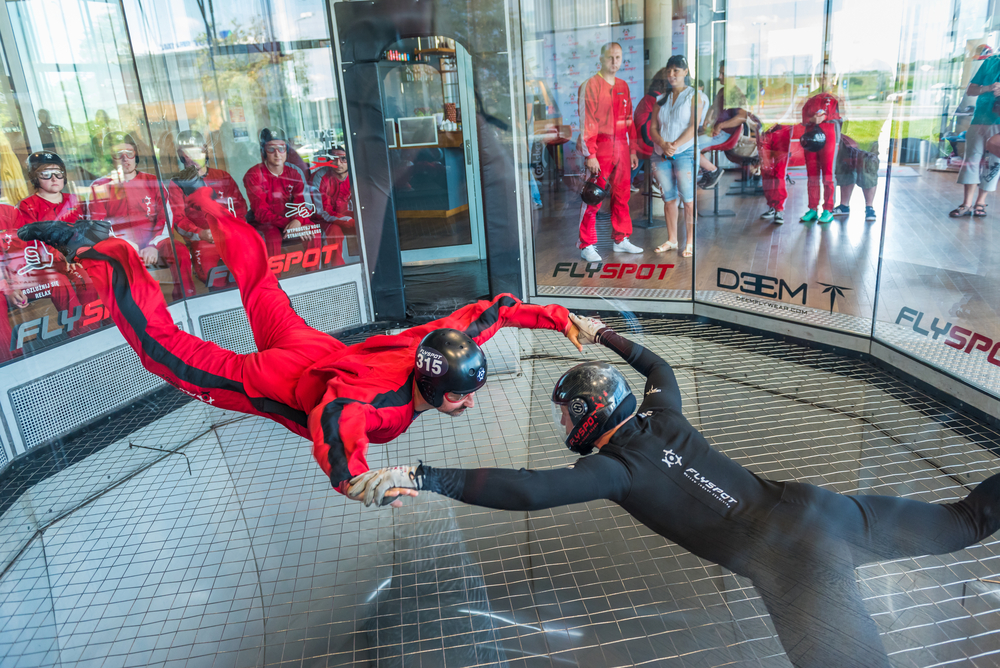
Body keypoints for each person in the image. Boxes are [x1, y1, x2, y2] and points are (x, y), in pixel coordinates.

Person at [350, 315, 1000, 668]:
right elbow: (659, 366)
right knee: (966, 521)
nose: (564, 428)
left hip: (793, 566)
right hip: (820, 509)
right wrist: (602, 333)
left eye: (567, 416)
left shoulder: (612, 470)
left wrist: (424, 476)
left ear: (587, 417)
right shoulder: (663, 412)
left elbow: (526, 491)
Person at [17, 184, 585, 499]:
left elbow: (490, 314)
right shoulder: (387, 410)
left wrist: (557, 316)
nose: (469, 402)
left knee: (258, 280)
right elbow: (338, 417)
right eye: (461, 397)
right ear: (435, 390)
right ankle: (101, 250)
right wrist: (355, 478)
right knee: (159, 347)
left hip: (308, 344)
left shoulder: (429, 344)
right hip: (276, 380)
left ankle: (207, 204)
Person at [89, 131, 196, 300]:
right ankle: (142, 311)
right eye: (119, 155)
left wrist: (152, 245)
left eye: (129, 153)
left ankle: (186, 299)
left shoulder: (152, 181)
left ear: (135, 154)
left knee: (180, 252)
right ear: (110, 157)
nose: (125, 159)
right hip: (121, 247)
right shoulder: (100, 187)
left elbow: (165, 217)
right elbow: (98, 226)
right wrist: (130, 247)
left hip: (155, 242)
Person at [577, 42, 642, 263]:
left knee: (622, 194)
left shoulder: (624, 85)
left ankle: (621, 239)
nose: (614, 62)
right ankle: (586, 244)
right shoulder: (591, 85)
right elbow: (588, 122)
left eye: (618, 58)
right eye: (609, 58)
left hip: (622, 147)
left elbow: (630, 120)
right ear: (601, 59)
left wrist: (632, 149)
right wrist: (591, 154)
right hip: (601, 147)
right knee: (593, 195)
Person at [17, 151, 100, 313]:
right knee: (83, 278)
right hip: (52, 263)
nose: (54, 178)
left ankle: (111, 322)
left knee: (107, 272)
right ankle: (84, 329)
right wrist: (63, 256)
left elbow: (87, 231)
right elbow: (34, 242)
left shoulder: (75, 199)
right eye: (46, 174)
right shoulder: (27, 206)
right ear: (35, 178)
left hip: (80, 256)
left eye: (58, 173)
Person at [167, 130, 249, 289]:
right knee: (211, 277)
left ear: (205, 151)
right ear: (181, 155)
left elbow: (240, 208)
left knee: (245, 273)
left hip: (231, 236)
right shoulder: (176, 183)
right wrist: (200, 233)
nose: (193, 157)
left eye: (197, 150)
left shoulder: (222, 176)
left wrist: (234, 229)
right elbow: (178, 220)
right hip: (204, 241)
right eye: (187, 153)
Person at [650, 55, 708, 258]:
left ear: (685, 72)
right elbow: (653, 128)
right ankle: (672, 240)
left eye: (677, 70)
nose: (672, 74)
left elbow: (694, 126)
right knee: (669, 199)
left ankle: (690, 242)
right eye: (669, 70)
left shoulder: (695, 96)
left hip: (683, 153)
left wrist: (674, 145)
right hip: (661, 154)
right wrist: (663, 144)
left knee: (689, 200)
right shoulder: (660, 99)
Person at [243, 127, 318, 259]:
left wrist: (298, 221)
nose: (277, 154)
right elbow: (261, 212)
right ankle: (274, 278)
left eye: (281, 148)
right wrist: (290, 224)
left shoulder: (293, 173)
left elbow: (301, 203)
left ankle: (314, 272)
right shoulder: (254, 174)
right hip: (265, 223)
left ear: (287, 150)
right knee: (272, 237)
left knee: (313, 231)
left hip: (291, 220)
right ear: (263, 151)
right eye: (271, 149)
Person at [951, 53, 1000, 218]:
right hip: (979, 118)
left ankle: (980, 202)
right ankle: (966, 203)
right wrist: (988, 88)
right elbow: (971, 90)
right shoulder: (991, 61)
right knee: (971, 159)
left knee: (994, 163)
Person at [697, 60, 749, 190]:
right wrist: (708, 119)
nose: (720, 77)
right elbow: (713, 107)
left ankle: (713, 170)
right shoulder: (722, 91)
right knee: (688, 142)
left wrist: (720, 126)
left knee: (688, 147)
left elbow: (742, 117)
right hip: (717, 131)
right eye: (720, 73)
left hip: (725, 134)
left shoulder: (735, 94)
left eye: (723, 73)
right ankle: (707, 171)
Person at [799, 83, 842, 224]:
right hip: (811, 136)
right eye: (822, 75)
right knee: (812, 173)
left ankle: (828, 209)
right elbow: (803, 118)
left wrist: (827, 117)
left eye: (827, 75)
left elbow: (843, 115)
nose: (824, 78)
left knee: (828, 174)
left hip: (828, 135)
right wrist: (812, 120)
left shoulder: (836, 96)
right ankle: (812, 208)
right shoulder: (811, 97)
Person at [311, 144, 353, 265]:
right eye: (334, 158)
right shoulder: (320, 176)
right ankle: (338, 269)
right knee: (335, 231)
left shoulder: (354, 175)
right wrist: (349, 221)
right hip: (321, 220)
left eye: (343, 159)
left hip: (342, 214)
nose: (338, 163)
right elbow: (321, 212)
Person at [832, 135, 879, 222]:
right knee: (845, 167)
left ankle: (869, 207)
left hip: (868, 131)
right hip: (847, 133)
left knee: (868, 168)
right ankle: (844, 206)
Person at [758, 124, 793, 224]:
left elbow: (790, 110)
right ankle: (772, 205)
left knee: (779, 171)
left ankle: (779, 208)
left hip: (782, 129)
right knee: (766, 170)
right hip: (764, 130)